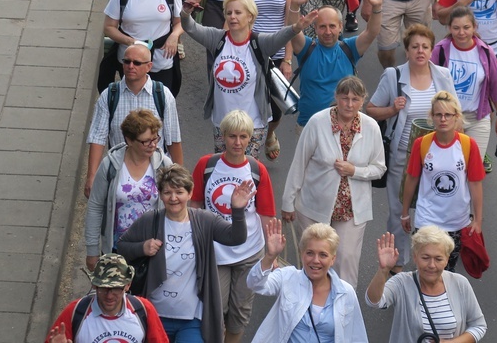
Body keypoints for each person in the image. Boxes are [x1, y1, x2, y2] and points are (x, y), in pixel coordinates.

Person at [117, 164, 254, 343]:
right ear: (160, 194)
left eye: (179, 192)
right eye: (167, 192)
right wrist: (142, 248)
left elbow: (236, 238)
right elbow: (121, 248)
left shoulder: (204, 220)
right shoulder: (150, 220)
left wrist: (237, 210)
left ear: (189, 194)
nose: (173, 198)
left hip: (192, 319)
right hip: (154, 315)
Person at [180, 0, 317, 155]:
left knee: (247, 172)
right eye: (229, 12)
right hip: (222, 123)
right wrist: (186, 12)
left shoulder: (260, 43)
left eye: (238, 12)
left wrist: (296, 27)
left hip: (253, 123)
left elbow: (279, 37)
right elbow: (191, 28)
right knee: (224, 170)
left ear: (250, 16)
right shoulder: (216, 38)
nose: (232, 16)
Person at [367, 24, 456, 273]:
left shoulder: (443, 76)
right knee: (399, 214)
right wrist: (392, 109)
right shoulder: (393, 76)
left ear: (431, 50)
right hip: (402, 156)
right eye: (415, 46)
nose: (420, 51)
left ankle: (431, 263)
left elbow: (454, 113)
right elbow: (371, 109)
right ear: (406, 51)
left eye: (425, 46)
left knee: (432, 211)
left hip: (437, 158)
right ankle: (396, 265)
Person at [282, 76, 386, 288]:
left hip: (351, 209)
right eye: (344, 98)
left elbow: (379, 168)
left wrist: (354, 170)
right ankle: (309, 306)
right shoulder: (317, 122)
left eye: (355, 99)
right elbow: (299, 163)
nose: (349, 104)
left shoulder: (371, 127)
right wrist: (287, 202)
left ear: (363, 101)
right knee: (314, 261)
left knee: (346, 261)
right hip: (313, 206)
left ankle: (343, 311)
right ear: (336, 97)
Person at [190, 110, 275, 343]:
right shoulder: (206, 165)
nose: (238, 143)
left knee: (240, 310)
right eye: (232, 136)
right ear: (223, 137)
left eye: (243, 137)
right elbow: (195, 205)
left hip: (249, 252)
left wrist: (271, 252)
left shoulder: (257, 170)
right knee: (215, 309)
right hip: (215, 251)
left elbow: (266, 214)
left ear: (250, 139)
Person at [401, 91, 485, 272]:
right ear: (432, 117)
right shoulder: (422, 144)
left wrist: (477, 219)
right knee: (425, 270)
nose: (443, 119)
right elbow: (412, 178)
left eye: (448, 115)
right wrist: (405, 212)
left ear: (456, 117)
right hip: (427, 220)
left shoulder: (468, 145)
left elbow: (475, 183)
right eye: (438, 114)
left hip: (457, 221)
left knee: (447, 272)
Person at [86, 43, 183, 198]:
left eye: (137, 63)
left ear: (149, 66)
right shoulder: (109, 95)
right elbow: (97, 138)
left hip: (156, 172)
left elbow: (173, 139)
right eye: (127, 61)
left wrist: (179, 177)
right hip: (120, 171)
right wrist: (91, 177)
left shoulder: (163, 95)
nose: (131, 66)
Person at [247, 220, 368, 342]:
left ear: (333, 259)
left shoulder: (346, 292)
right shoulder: (288, 277)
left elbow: (357, 336)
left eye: (323, 255)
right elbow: (254, 284)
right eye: (310, 253)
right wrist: (270, 256)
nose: (316, 260)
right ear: (301, 254)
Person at [233, 0, 297, 160]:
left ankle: (270, 133)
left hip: (278, 51)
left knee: (276, 108)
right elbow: (233, 19)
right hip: (251, 52)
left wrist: (287, 59)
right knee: (249, 104)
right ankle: (249, 149)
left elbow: (290, 22)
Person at [85, 110, 172, 271]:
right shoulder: (109, 166)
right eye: (146, 141)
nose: (153, 145)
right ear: (129, 140)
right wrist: (92, 251)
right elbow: (95, 207)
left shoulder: (164, 165)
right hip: (116, 252)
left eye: (155, 139)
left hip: (153, 251)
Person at [366, 227, 488, 342]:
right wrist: (383, 271)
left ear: (447, 259)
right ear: (415, 257)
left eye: (438, 259)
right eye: (425, 257)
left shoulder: (460, 283)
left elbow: (478, 326)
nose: (431, 265)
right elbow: (374, 302)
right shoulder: (401, 282)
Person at [291, 0, 383, 129]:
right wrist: (294, 6)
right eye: (322, 27)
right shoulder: (306, 48)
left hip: (344, 128)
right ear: (315, 28)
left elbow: (371, 32)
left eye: (332, 26)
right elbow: (292, 30)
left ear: (340, 27)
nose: (328, 32)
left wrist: (377, 7)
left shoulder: (350, 48)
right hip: (308, 127)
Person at [432, 6, 497, 172]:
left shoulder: (486, 52)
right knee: (449, 168)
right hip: (447, 119)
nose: (461, 33)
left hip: (477, 119)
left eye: (466, 27)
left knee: (473, 169)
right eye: (456, 28)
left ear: (474, 27)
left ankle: (471, 199)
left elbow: (496, 87)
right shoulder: (441, 50)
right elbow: (430, 82)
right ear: (449, 28)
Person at [100, 0, 184, 96]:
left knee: (160, 105)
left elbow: (180, 22)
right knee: (133, 105)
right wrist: (130, 42)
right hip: (131, 61)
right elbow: (108, 27)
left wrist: (174, 36)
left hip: (162, 61)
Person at [45, 254, 168, 343]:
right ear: (94, 285)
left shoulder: (143, 309)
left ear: (127, 285)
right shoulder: (75, 311)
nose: (109, 296)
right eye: (103, 289)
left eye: (116, 289)